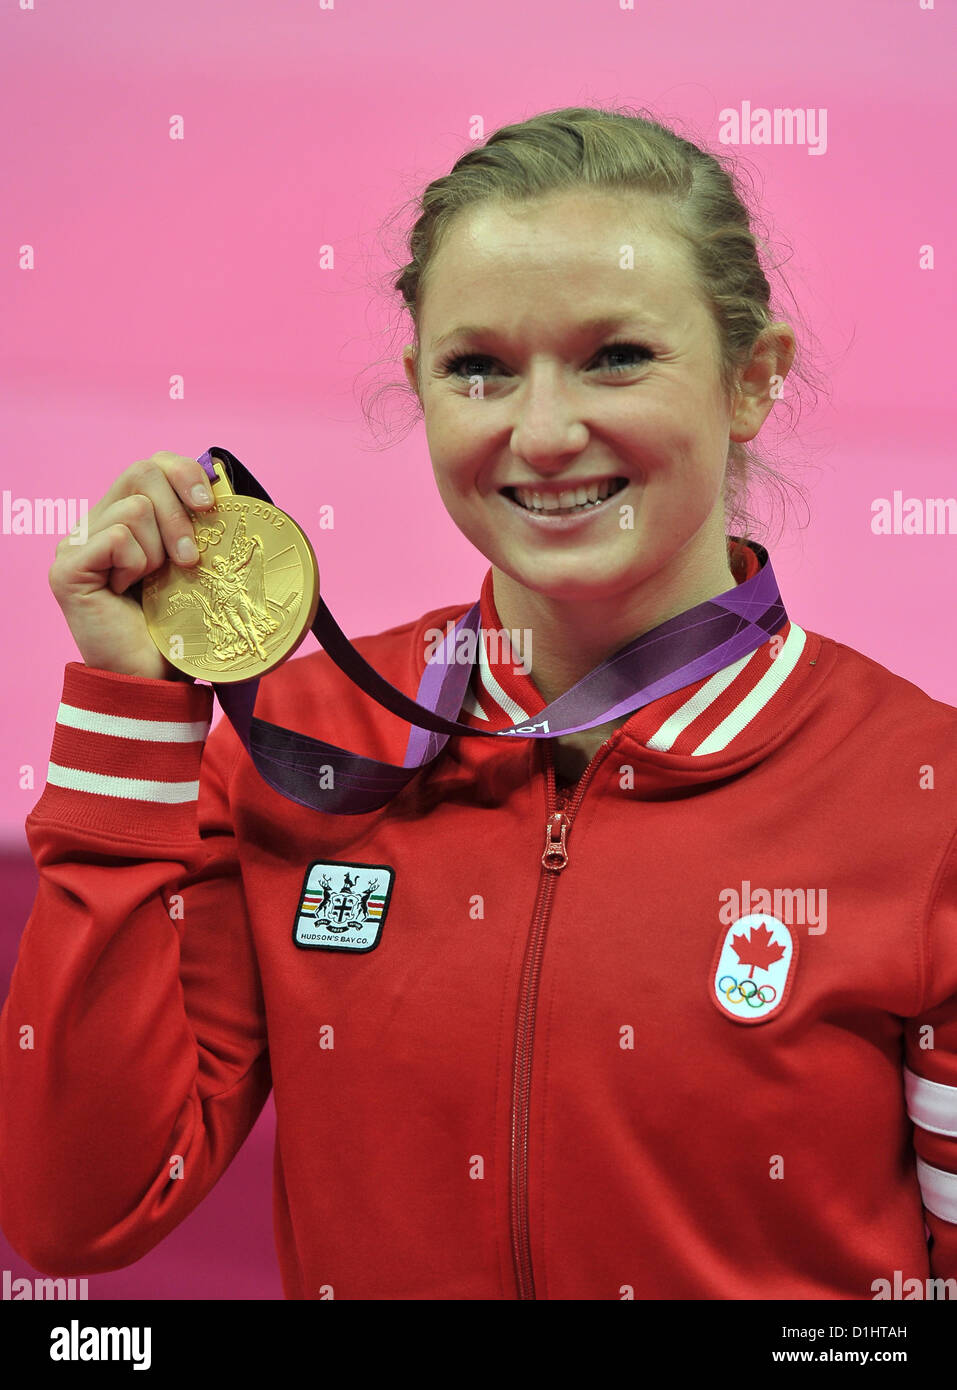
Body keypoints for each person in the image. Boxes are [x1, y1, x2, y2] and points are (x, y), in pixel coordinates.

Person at [1, 104, 956, 1302]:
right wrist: (130, 718)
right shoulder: (304, 750)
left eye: (617, 356)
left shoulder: (926, 800)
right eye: (479, 368)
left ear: (752, 379)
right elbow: (79, 1211)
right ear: (420, 386)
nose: (544, 432)